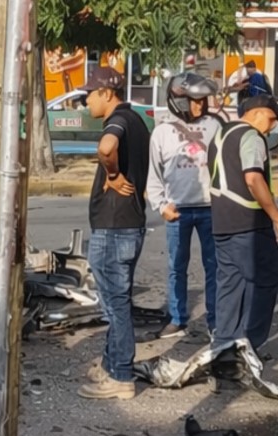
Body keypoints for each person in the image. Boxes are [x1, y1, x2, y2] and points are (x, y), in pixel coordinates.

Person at [77, 67, 151, 401]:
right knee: (117, 300)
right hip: (128, 224)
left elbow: (107, 148)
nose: (86, 102)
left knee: (115, 306)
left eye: (89, 95)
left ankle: (121, 375)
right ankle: (111, 363)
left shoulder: (118, 120)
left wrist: (112, 173)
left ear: (107, 93)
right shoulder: (137, 120)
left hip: (114, 227)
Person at [207, 94, 278, 358]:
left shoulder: (221, 134)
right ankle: (248, 347)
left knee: (230, 286)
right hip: (250, 225)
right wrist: (277, 218)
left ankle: (223, 347)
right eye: (271, 119)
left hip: (222, 223)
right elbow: (253, 178)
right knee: (265, 280)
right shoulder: (251, 137)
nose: (272, 126)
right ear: (257, 113)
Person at [147, 73, 222, 339]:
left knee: (214, 266)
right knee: (177, 267)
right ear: (179, 101)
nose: (200, 106)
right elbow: (154, 175)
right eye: (194, 100)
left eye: (203, 100)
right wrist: (161, 205)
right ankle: (177, 319)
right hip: (177, 210)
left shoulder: (215, 126)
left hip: (210, 208)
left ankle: (216, 321)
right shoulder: (162, 133)